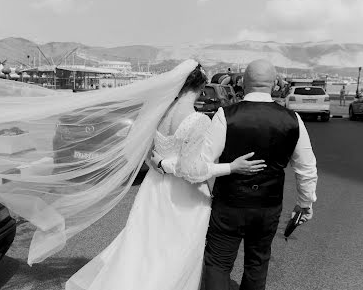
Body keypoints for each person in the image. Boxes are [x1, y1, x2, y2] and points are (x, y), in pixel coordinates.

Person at [65, 64, 266, 290]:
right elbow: (191, 171)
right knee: (175, 251)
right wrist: (231, 167)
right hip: (182, 196)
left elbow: (151, 156)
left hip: (153, 187)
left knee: (147, 246)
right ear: (200, 88)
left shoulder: (160, 114)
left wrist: (162, 163)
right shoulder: (198, 120)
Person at [155, 59, 318, 290]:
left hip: (229, 203)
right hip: (268, 205)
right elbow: (306, 168)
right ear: (274, 84)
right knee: (257, 263)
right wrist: (304, 203)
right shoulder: (294, 120)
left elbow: (202, 162)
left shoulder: (225, 115)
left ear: (243, 83)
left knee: (218, 263)